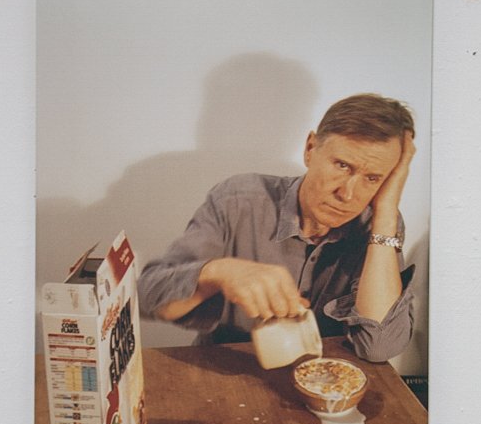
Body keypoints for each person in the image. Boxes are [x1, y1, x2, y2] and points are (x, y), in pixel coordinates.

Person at [137, 93, 417, 363]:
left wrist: (387, 212)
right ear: (310, 148)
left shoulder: (379, 227)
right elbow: (146, 298)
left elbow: (379, 347)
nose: (347, 194)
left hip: (326, 381)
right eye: (342, 165)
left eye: (372, 178)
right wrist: (218, 273)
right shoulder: (238, 201)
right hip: (226, 372)